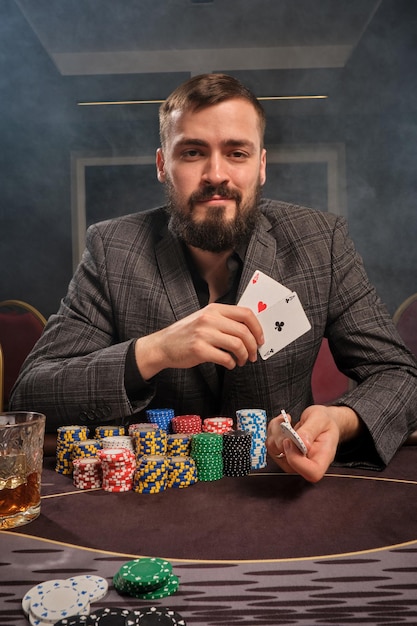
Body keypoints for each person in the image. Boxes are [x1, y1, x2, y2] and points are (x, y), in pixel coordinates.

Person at [10, 73, 417, 483]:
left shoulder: (320, 242)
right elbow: (32, 394)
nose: (216, 174)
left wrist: (339, 419)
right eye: (192, 152)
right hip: (152, 502)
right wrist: (154, 352)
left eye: (236, 153)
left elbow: (400, 376)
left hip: (278, 489)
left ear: (260, 166)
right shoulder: (112, 248)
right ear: (162, 165)